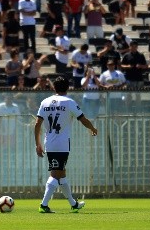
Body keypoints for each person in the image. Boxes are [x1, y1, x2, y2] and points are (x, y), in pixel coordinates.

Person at [34, 76, 97, 214]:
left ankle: (73, 204)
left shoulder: (45, 102)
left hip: (49, 142)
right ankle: (44, 205)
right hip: (62, 144)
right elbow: (83, 119)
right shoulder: (69, 102)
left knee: (61, 174)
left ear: (53, 88)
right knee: (56, 174)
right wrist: (92, 128)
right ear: (67, 88)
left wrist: (37, 144)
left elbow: (37, 124)